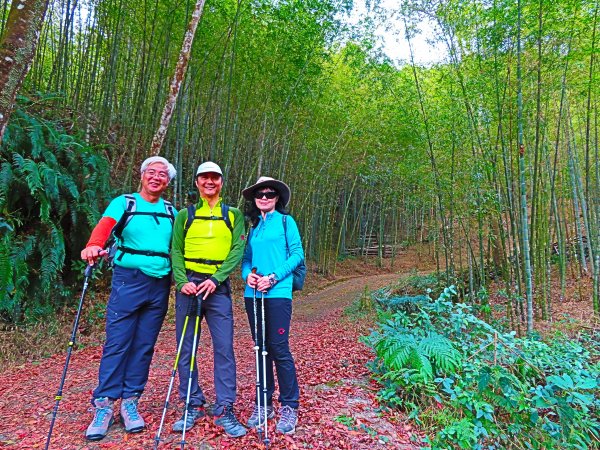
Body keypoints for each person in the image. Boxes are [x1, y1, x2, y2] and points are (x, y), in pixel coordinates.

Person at [81, 156, 177, 441]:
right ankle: (104, 404)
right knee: (118, 341)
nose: (156, 177)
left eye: (163, 174)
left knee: (144, 344)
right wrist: (94, 246)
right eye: (152, 172)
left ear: (168, 182)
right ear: (142, 175)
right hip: (128, 280)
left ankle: (131, 401)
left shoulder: (172, 211)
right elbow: (105, 226)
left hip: (160, 283)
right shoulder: (125, 203)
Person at [170, 161, 247, 437]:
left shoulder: (234, 214)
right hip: (189, 283)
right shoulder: (185, 215)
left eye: (215, 178)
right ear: (197, 183)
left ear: (221, 182)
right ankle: (192, 402)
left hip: (218, 287)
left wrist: (216, 279)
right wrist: (182, 282)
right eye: (204, 178)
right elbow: (175, 250)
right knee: (185, 347)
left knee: (224, 347)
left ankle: (225, 406)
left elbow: (237, 250)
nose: (209, 182)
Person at [241, 176, 304, 435]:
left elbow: (297, 254)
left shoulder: (287, 222)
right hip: (252, 294)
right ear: (255, 199)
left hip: (278, 293)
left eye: (269, 194)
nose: (264, 197)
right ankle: (263, 403)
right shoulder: (254, 227)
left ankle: (289, 404)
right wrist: (249, 276)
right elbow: (246, 260)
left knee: (278, 348)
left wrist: (273, 277)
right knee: (260, 348)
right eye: (260, 194)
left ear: (277, 197)